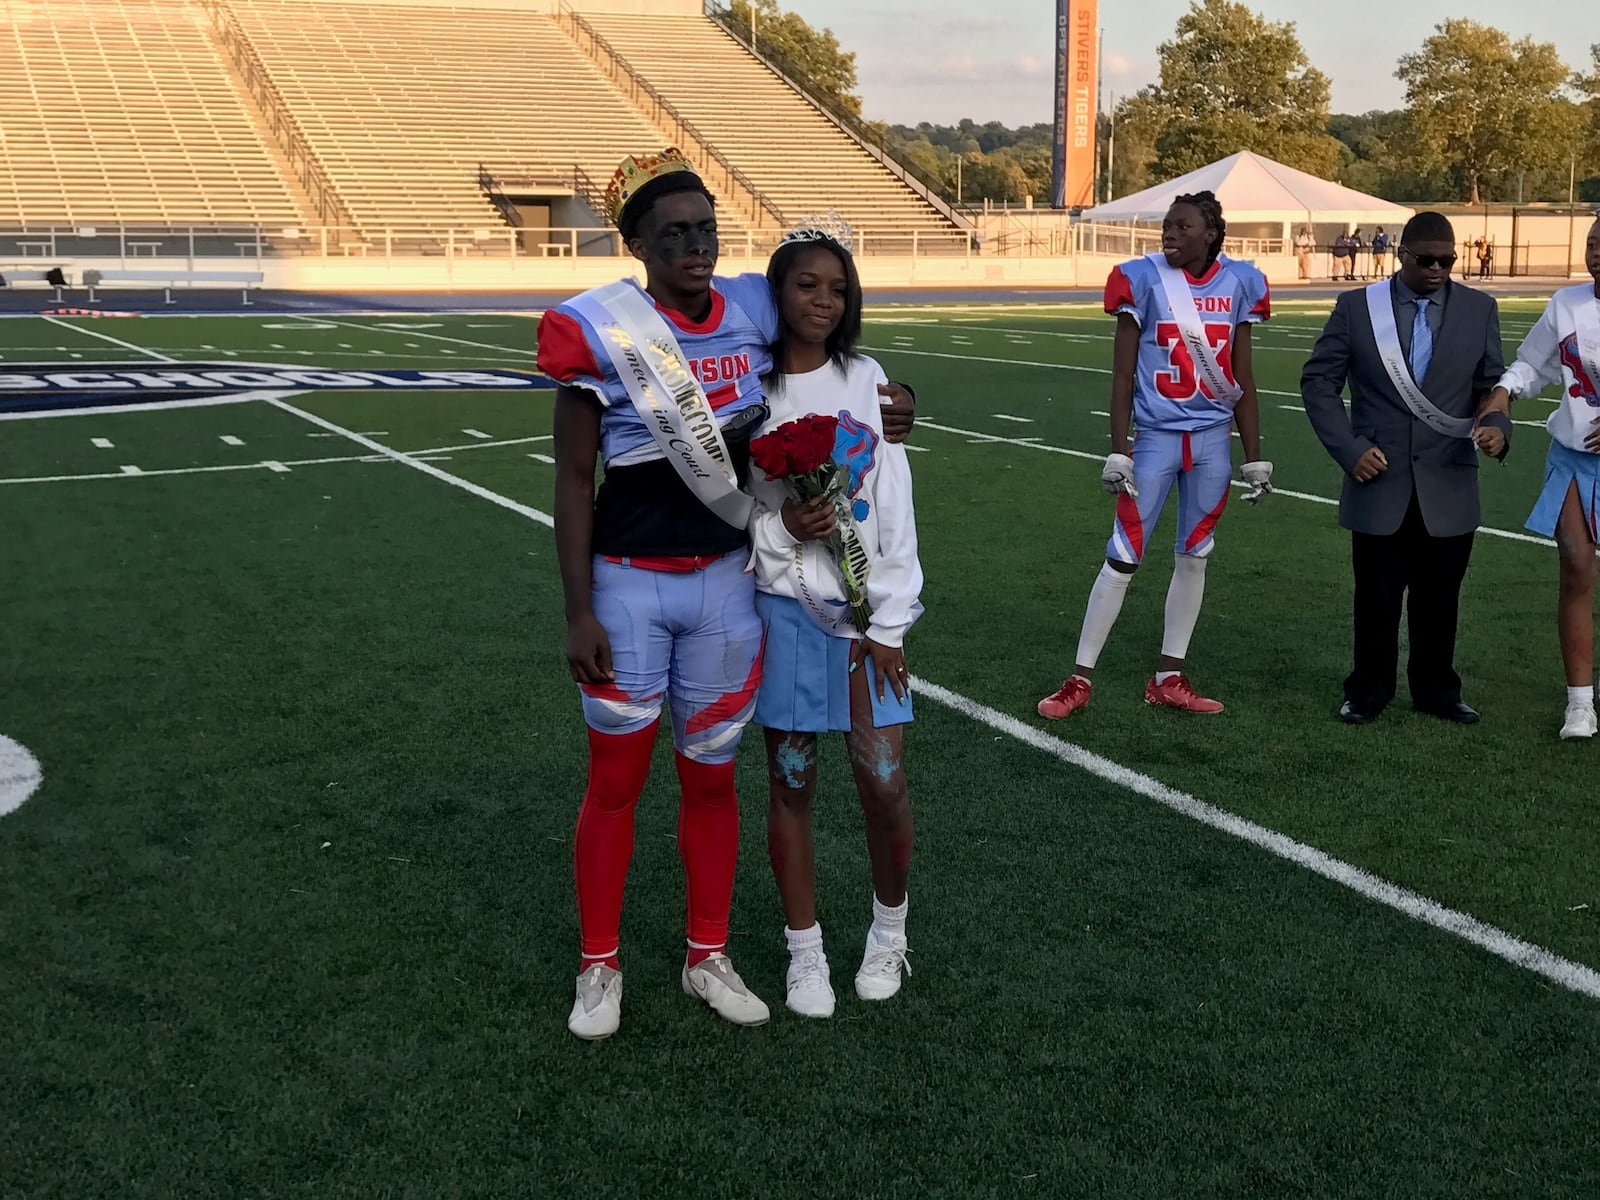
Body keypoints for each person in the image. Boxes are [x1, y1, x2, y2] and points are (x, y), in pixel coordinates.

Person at [538, 150, 916, 1040]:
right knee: (617, 782)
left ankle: (706, 952)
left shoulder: (751, 302)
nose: (695, 247)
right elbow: (569, 478)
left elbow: (835, 346)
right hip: (627, 587)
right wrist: (576, 609)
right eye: (673, 233)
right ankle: (601, 965)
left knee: (711, 782)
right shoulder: (600, 330)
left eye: (706, 228)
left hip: (726, 585)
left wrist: (902, 399)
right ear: (634, 242)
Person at [745, 216, 923, 1018]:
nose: (823, 300)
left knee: (882, 782)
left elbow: (893, 502)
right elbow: (736, 512)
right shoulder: (748, 389)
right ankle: (804, 952)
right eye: (806, 284)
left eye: (838, 288)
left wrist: (889, 625)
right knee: (793, 783)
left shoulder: (868, 378)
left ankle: (889, 935)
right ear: (776, 291)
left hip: (866, 626)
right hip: (787, 614)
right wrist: (784, 533)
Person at [1037, 191, 1273, 720]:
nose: (1169, 234)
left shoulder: (1241, 283)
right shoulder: (1141, 278)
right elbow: (1122, 375)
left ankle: (1169, 675)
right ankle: (1079, 678)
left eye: (1181, 226)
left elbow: (1243, 376)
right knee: (1122, 555)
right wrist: (1118, 449)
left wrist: (1254, 454)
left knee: (1195, 556)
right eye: (1167, 225)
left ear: (1210, 233)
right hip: (1157, 438)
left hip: (1212, 438)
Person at [1301, 211, 1511, 726]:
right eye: (1427, 260)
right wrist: (1349, 450)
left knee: (1441, 596)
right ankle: (1367, 691)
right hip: (1378, 477)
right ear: (1402, 255)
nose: (1438, 269)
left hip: (1449, 475)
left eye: (1448, 260)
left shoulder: (1479, 309)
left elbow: (1492, 384)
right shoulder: (1357, 308)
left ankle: (1438, 690)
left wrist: (1499, 427)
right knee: (1376, 596)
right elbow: (1318, 382)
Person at [1476, 217, 1600, 739]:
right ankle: (1579, 703)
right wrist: (1504, 392)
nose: (1596, 251)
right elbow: (1534, 363)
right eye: (1592, 243)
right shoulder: (1567, 303)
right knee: (1575, 568)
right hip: (1573, 456)